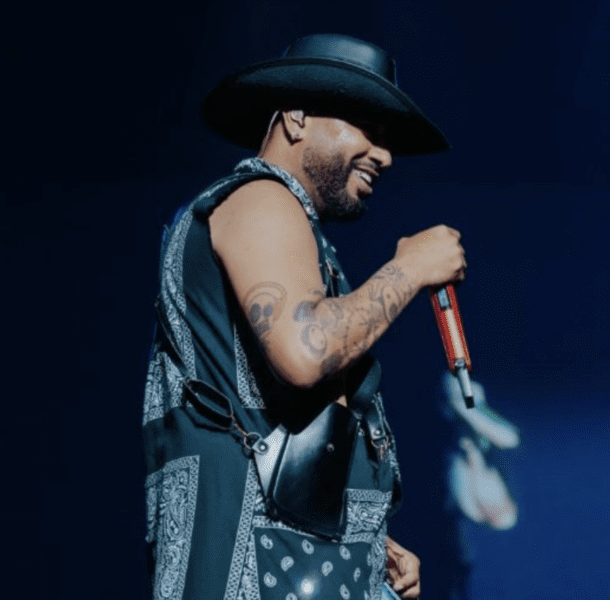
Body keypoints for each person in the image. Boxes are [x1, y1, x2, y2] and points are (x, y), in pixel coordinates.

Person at [142, 33, 465, 600]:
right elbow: (304, 351)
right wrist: (410, 269)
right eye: (368, 128)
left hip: (288, 559)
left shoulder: (289, 223)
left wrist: (365, 540)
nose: (385, 155)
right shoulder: (261, 199)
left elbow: (282, 421)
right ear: (295, 116)